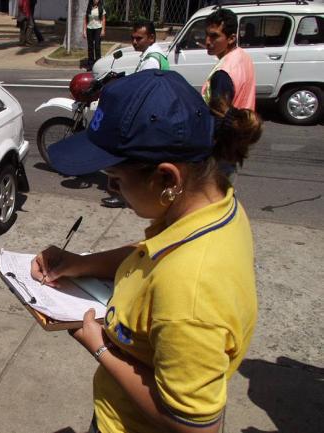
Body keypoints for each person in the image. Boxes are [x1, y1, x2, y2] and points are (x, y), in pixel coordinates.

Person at [31, 69, 262, 433]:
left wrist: (100, 347)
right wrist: (80, 264)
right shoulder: (212, 205)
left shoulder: (190, 295)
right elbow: (151, 257)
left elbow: (195, 427)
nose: (108, 187)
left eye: (116, 179)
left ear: (168, 179)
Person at [102, 20, 169, 209]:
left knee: (127, 154)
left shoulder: (152, 59)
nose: (134, 41)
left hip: (148, 115)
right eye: (132, 38)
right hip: (154, 114)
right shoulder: (153, 54)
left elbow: (143, 90)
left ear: (151, 38)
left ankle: (123, 195)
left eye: (139, 38)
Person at [202, 8, 256, 110]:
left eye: (214, 36)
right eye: (206, 34)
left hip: (230, 125)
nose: (207, 41)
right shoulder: (243, 56)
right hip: (244, 122)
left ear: (231, 38)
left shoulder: (223, 74)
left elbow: (218, 116)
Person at [84, 0, 105, 71]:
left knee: (97, 46)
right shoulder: (89, 8)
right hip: (89, 28)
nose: (96, 0)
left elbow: (103, 19)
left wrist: (103, 30)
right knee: (90, 47)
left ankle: (98, 64)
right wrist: (84, 30)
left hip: (98, 28)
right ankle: (90, 64)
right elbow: (85, 20)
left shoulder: (101, 8)